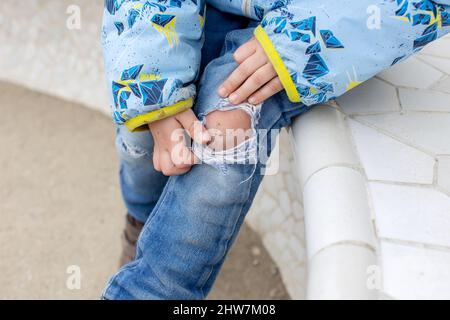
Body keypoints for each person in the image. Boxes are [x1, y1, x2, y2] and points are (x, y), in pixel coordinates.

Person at [101, 0, 450, 299]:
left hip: (318, 22)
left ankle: (151, 289)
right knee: (144, 140)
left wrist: (302, 41)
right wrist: (153, 78)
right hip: (184, 10)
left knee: (225, 130)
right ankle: (140, 219)